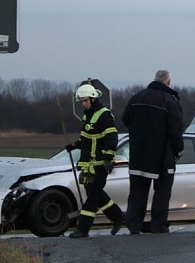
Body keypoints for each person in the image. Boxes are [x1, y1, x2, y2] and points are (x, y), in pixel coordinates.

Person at [122, 69, 184, 235]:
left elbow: (126, 119)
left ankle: (134, 225)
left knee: (137, 192)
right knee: (162, 192)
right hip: (162, 156)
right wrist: (178, 148)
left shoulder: (137, 98)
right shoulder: (170, 101)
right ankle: (158, 225)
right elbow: (176, 128)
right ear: (168, 82)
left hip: (139, 155)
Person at [65, 83, 124, 238]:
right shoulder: (88, 115)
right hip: (88, 164)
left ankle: (82, 229)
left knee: (92, 197)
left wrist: (107, 158)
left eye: (85, 101)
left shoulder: (104, 114)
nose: (83, 104)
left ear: (92, 99)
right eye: (81, 102)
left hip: (100, 164)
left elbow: (111, 138)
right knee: (96, 194)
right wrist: (75, 145)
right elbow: (88, 139)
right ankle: (118, 217)